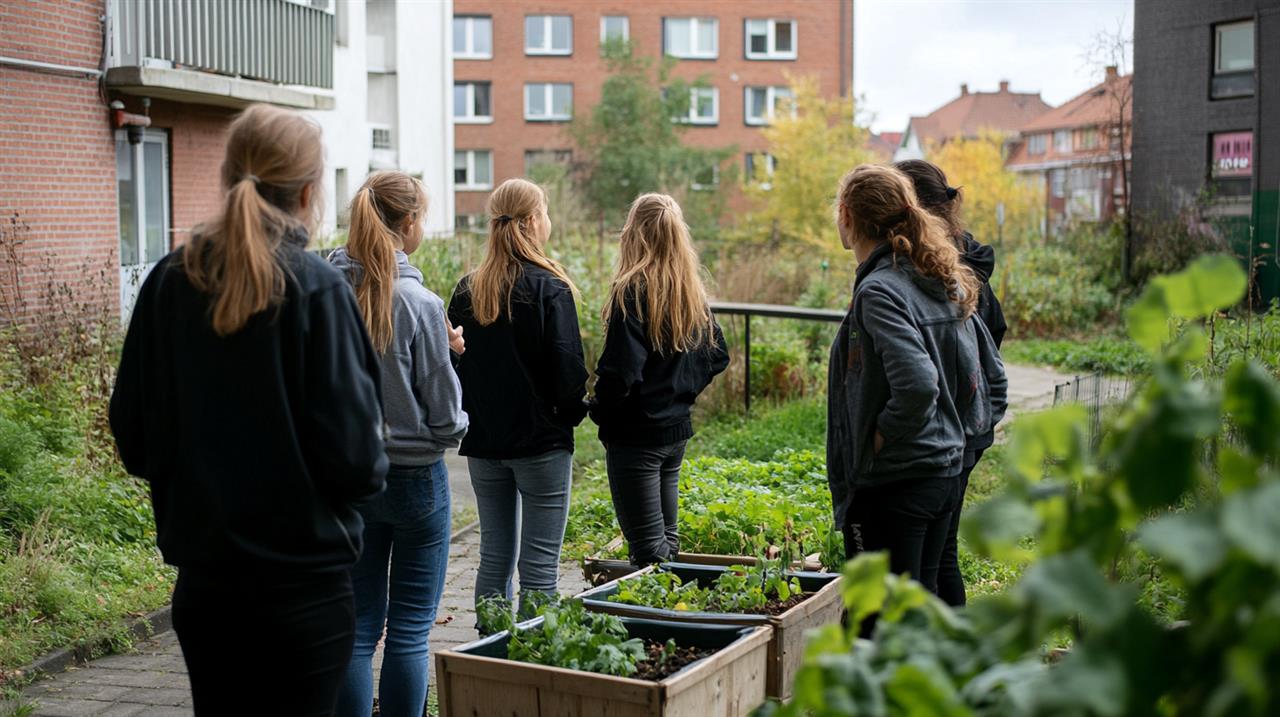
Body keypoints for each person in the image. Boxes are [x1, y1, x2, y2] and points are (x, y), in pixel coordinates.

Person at [108, 104, 388, 717]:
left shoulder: (167, 284)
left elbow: (133, 437)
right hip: (304, 596)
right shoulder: (317, 289)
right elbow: (359, 463)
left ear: (228, 176)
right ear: (310, 191)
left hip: (207, 590)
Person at [826, 164, 1006, 596]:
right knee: (921, 610)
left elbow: (918, 384)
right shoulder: (940, 277)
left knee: (877, 620)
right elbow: (992, 379)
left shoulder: (881, 291)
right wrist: (958, 436)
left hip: (896, 482)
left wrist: (878, 440)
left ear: (847, 215)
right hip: (939, 476)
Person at [329, 171, 468, 717]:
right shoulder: (419, 303)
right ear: (407, 222)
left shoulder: (325, 290)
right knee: (410, 631)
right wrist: (454, 412)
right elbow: (443, 415)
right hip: (415, 481)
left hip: (347, 477)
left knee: (358, 629)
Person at [447, 178, 588, 621]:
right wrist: (571, 416)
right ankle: (531, 665)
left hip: (485, 444)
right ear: (531, 221)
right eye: (544, 212)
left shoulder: (467, 289)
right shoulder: (551, 287)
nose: (547, 221)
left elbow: (453, 364)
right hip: (541, 443)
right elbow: (568, 371)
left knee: (493, 557)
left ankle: (488, 659)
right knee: (540, 569)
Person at [590, 193, 729, 566]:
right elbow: (717, 356)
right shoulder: (690, 291)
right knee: (667, 542)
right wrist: (679, 393)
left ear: (633, 234)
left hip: (636, 438)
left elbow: (620, 372)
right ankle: (676, 613)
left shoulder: (631, 290)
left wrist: (600, 412)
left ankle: (665, 623)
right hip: (674, 434)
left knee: (649, 553)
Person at [895, 158, 1008, 607]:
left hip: (951, 429)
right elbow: (993, 341)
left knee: (936, 560)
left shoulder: (939, 267)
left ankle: (946, 660)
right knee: (941, 556)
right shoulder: (961, 256)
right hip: (968, 424)